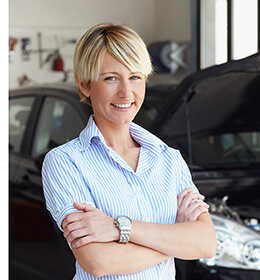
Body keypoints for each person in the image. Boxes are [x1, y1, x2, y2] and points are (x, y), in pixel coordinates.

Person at [42, 22, 217, 279]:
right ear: (84, 85)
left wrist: (119, 228)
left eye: (135, 77)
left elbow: (206, 244)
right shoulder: (65, 162)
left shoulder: (168, 159)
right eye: (111, 78)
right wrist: (175, 241)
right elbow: (99, 261)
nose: (126, 93)